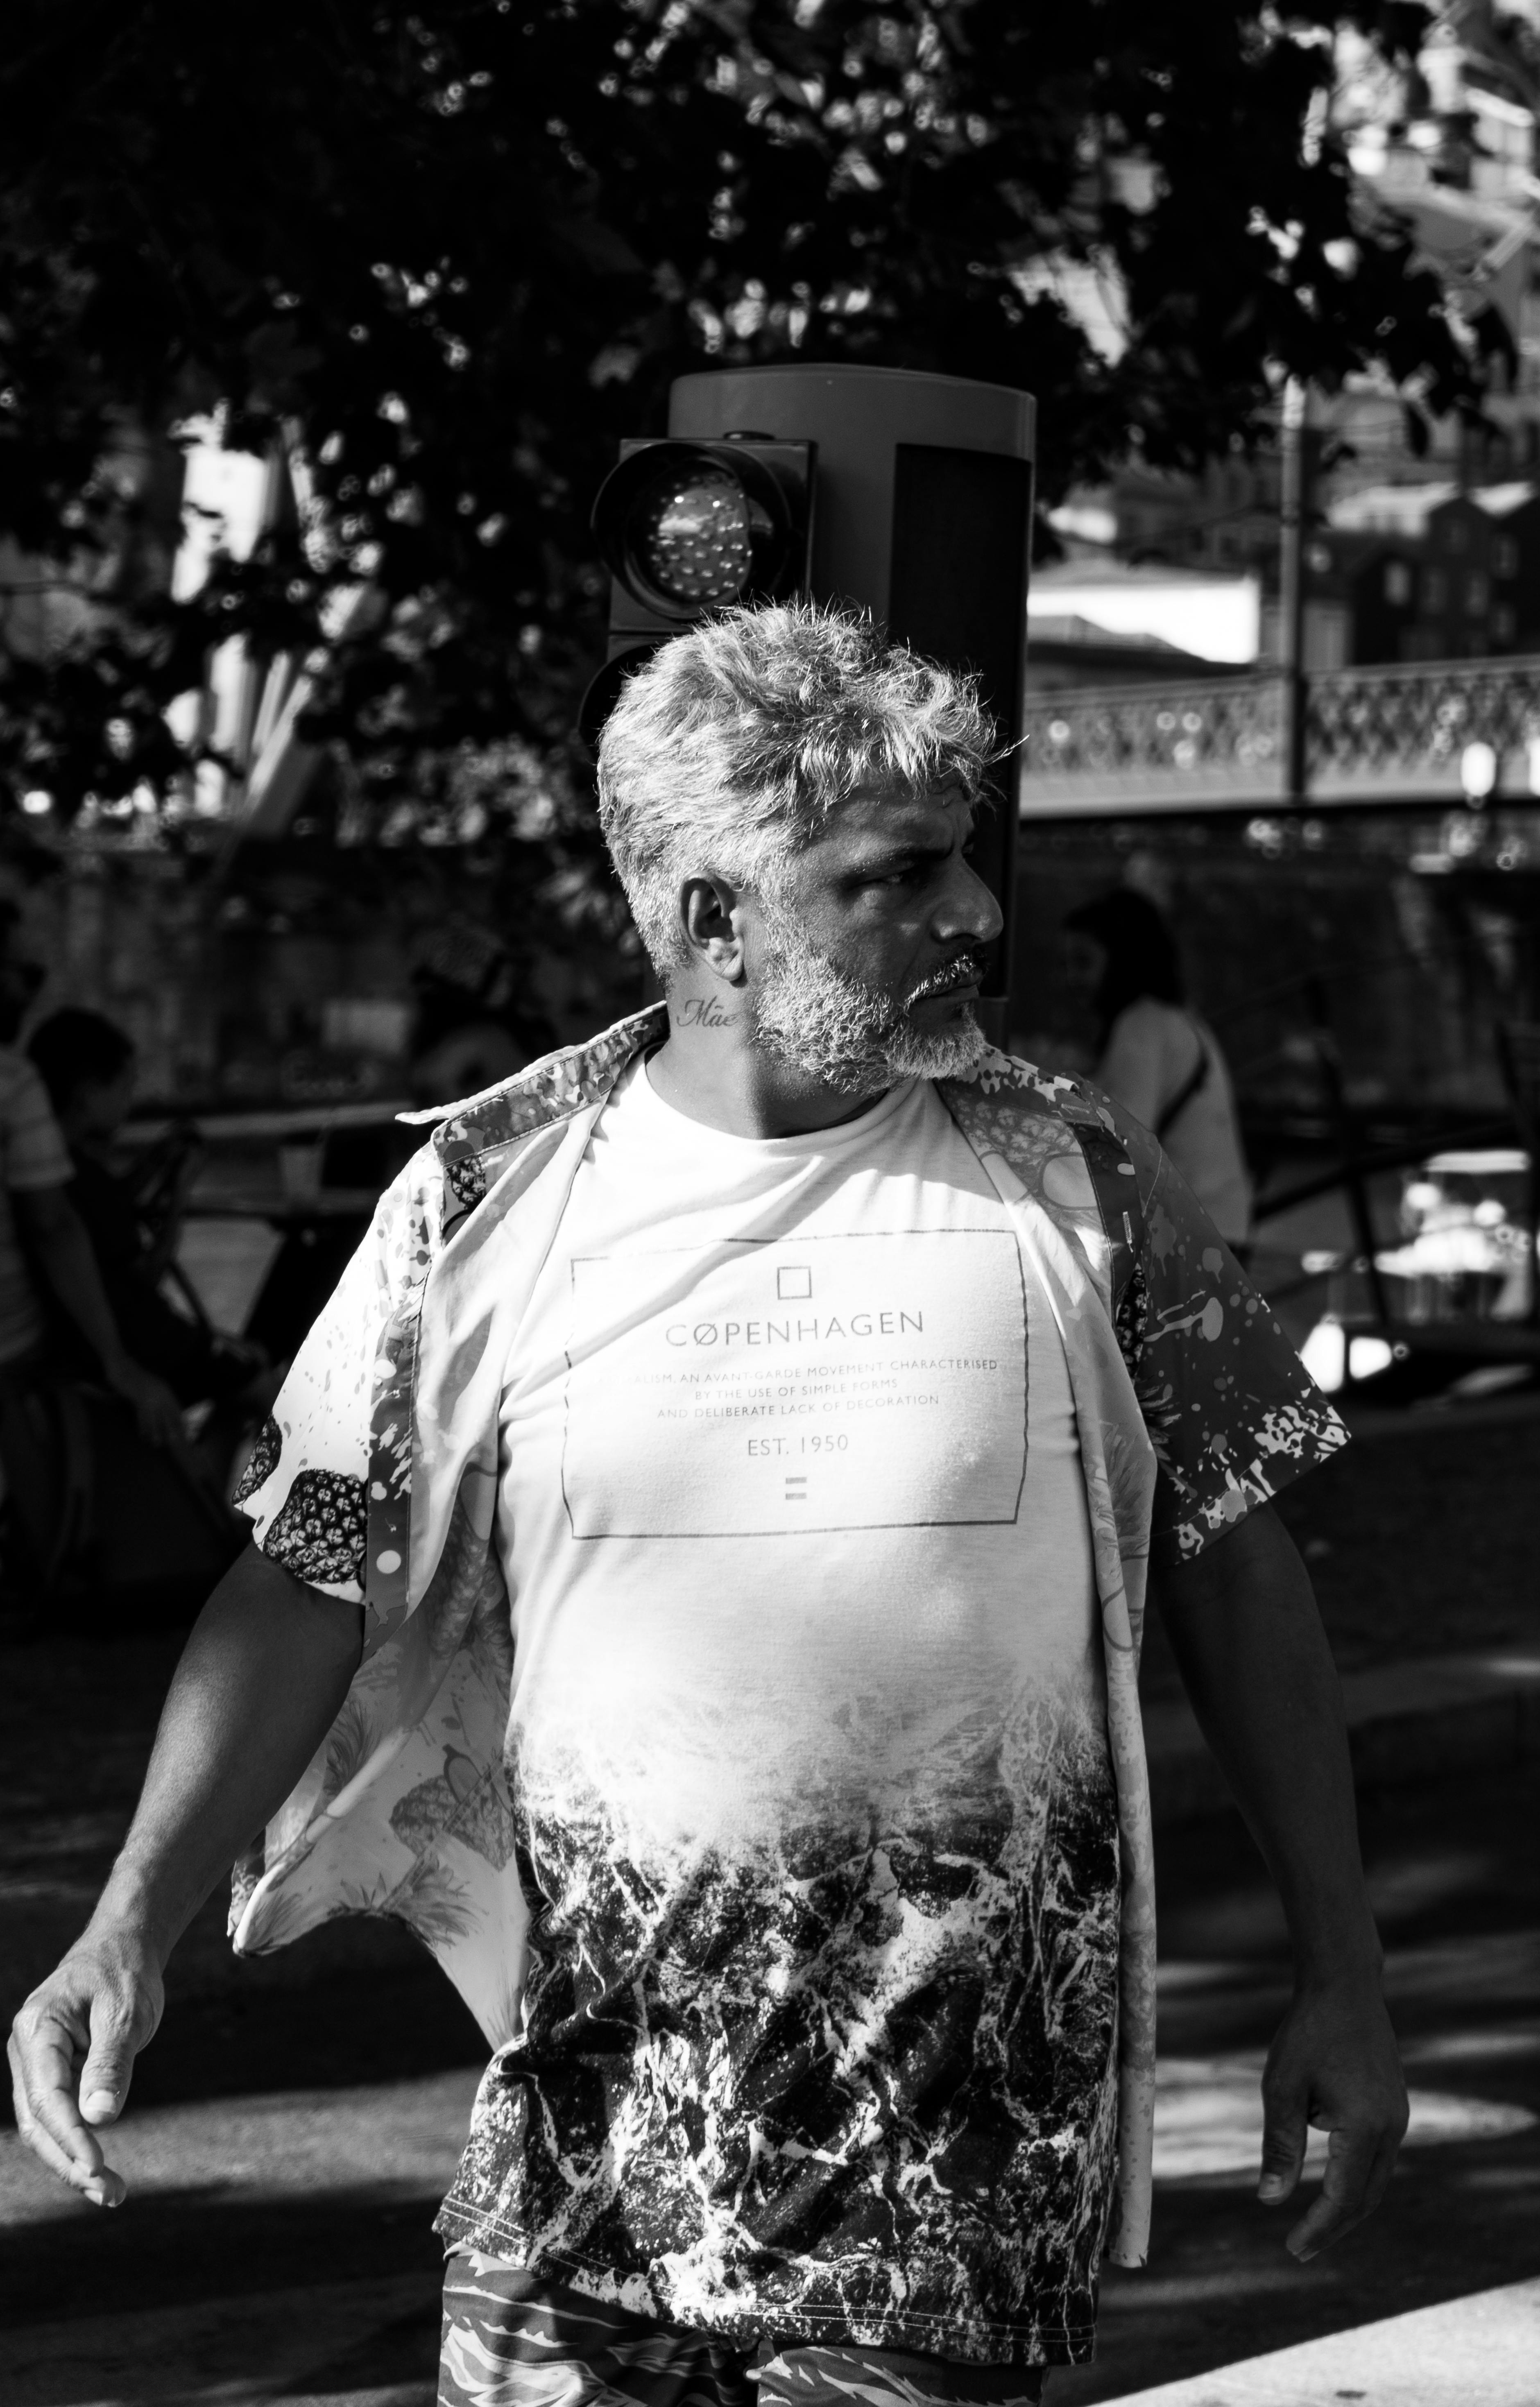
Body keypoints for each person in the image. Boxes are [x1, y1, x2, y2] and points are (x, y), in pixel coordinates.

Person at [9, 607, 1406, 2406]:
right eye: (903, 873)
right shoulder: (483, 1201)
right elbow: (308, 1577)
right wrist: (124, 1920)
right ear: (711, 920)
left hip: (940, 2199)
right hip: (575, 2165)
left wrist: (1343, 1975)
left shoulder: (1074, 1180)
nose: (978, 909)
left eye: (964, 852)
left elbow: (1234, 1562)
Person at [0, 939, 181, 1542]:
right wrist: (118, 1363)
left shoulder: (86, 1177)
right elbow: (58, 1229)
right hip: (33, 1343)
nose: (30, 987)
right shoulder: (12, 1081)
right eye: (23, 971)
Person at [26, 1008, 269, 1428]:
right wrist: (178, 1193)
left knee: (241, 1364)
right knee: (268, 1385)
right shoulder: (84, 1186)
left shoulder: (51, 1175)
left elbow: (111, 1217)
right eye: (123, 1085)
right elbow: (149, 1272)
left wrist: (151, 1167)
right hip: (146, 1347)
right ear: (86, 1095)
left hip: (112, 1344)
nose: (130, 1097)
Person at [1064, 888, 1254, 1249]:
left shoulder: (1141, 1026)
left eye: (1084, 961)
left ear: (1121, 960)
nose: (1072, 979)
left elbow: (1122, 1143)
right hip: (1223, 1228)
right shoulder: (1183, 1021)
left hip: (1186, 1237)